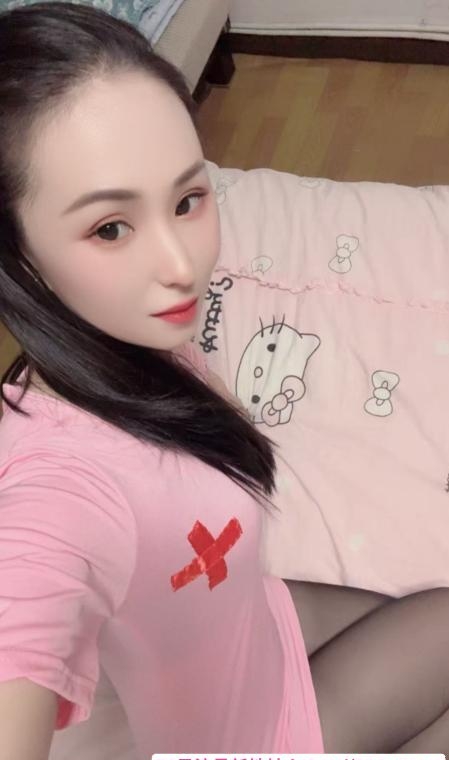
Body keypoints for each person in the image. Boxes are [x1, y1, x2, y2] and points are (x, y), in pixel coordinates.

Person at [0, 3, 448, 758]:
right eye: (110, 228)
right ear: (18, 255)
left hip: (257, 623)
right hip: (247, 735)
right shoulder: (56, 490)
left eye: (187, 199)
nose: (183, 266)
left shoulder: (129, 335)